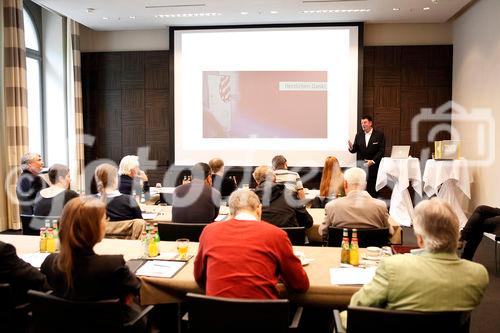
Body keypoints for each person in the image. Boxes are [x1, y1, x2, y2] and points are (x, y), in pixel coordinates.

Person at [342, 198, 489, 327]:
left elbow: (357, 306)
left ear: (419, 239)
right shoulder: (479, 275)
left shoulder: (393, 266)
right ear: (457, 234)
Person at [40, 196, 143, 322]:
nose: (107, 221)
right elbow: (136, 287)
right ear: (92, 227)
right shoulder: (113, 265)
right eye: (105, 218)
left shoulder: (50, 262)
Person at [193, 189, 309, 299]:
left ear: (231, 212)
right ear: (259, 209)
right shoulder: (276, 235)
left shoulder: (209, 231)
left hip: (215, 317)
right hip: (262, 316)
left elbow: (199, 277)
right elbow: (300, 285)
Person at [318, 167, 393, 239]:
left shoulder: (331, 206)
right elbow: (390, 232)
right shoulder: (380, 206)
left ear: (345, 184)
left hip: (341, 251)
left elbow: (322, 232)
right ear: (365, 185)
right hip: (371, 251)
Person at [348, 115, 385, 198]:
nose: (363, 125)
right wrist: (351, 148)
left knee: (373, 191)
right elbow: (355, 149)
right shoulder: (359, 135)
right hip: (362, 167)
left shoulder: (379, 135)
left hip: (374, 167)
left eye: (365, 122)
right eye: (361, 123)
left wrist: (372, 161)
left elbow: (381, 151)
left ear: (370, 123)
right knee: (361, 191)